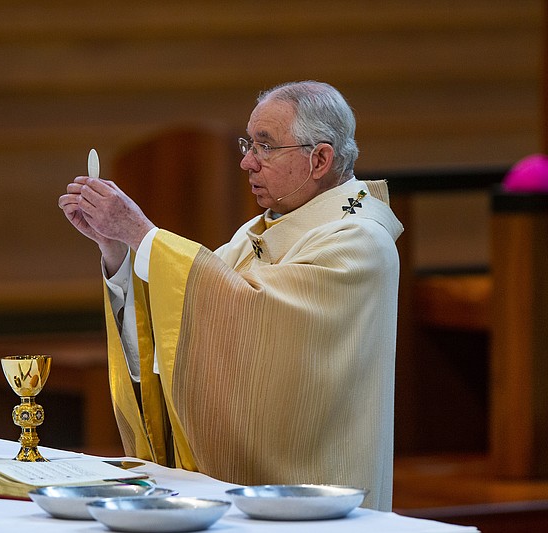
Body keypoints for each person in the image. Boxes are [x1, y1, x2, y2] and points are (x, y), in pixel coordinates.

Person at [59, 80, 403, 511]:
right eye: (248, 144)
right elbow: (178, 320)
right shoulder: (259, 231)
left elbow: (253, 317)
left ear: (319, 159)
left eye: (264, 146)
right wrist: (116, 250)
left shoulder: (358, 241)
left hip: (314, 499)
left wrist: (141, 234)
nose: (246, 163)